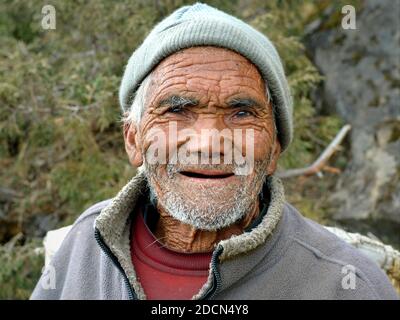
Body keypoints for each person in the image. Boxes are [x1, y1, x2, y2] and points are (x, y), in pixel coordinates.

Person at [31, 2, 398, 300]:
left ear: (273, 149)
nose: (210, 142)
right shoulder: (84, 244)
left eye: (241, 113)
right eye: (177, 109)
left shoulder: (346, 285)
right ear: (133, 140)